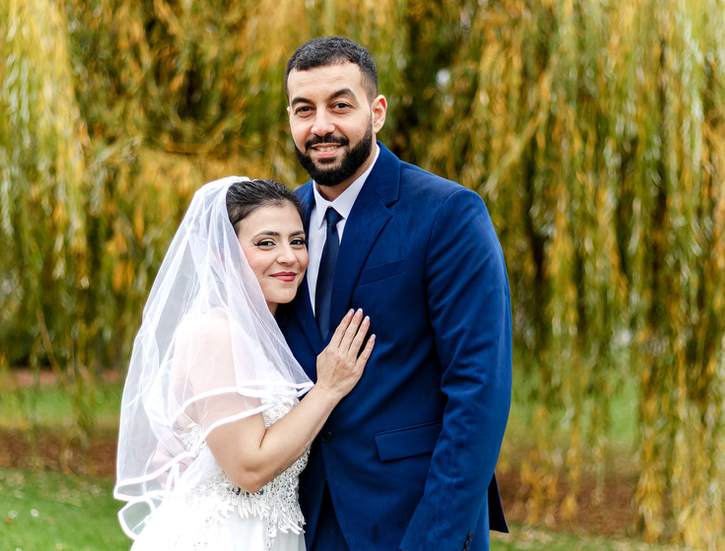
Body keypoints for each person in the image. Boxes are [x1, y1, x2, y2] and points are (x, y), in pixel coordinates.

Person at [278, 37, 513, 551]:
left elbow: (479, 393)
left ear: (377, 111)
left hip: (411, 519)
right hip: (300, 520)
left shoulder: (448, 214)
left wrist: (434, 540)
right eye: (304, 109)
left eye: (340, 105)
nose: (321, 125)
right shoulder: (279, 225)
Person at [114, 176, 376, 550]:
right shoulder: (217, 332)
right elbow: (248, 469)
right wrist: (328, 389)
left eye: (297, 241)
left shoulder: (264, 335)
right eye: (266, 242)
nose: (289, 256)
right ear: (224, 253)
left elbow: (171, 452)